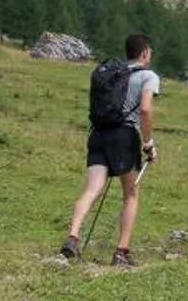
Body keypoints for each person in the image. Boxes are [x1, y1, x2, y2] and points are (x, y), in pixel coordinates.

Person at [65, 32, 157, 267]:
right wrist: (148, 143)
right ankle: (121, 252)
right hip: (124, 136)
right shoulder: (148, 76)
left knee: (92, 189)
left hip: (98, 134)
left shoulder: (112, 74)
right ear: (145, 52)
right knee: (130, 194)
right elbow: (145, 110)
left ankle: (73, 237)